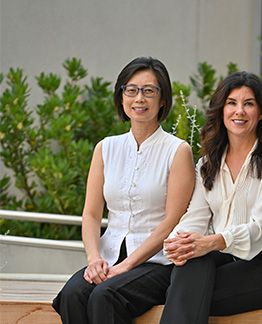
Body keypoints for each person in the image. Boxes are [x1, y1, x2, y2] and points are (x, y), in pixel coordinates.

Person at [52, 56, 195, 324]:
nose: (139, 98)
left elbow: (172, 220)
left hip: (156, 262)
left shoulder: (177, 151)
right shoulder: (105, 148)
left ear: (162, 100)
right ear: (121, 97)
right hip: (108, 257)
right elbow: (92, 214)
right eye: (131, 90)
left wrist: (127, 265)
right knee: (73, 294)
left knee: (105, 295)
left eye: (149, 91)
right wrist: (94, 259)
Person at [159, 71, 262, 324]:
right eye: (232, 103)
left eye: (249, 104)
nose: (239, 112)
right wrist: (178, 243)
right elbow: (196, 216)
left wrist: (212, 242)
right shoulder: (207, 163)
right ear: (221, 110)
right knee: (191, 264)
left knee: (181, 292)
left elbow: (261, 227)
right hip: (227, 259)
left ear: (261, 113)